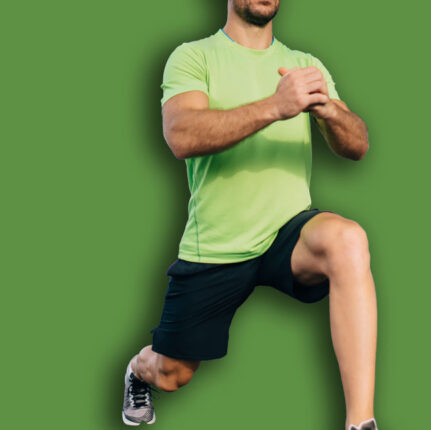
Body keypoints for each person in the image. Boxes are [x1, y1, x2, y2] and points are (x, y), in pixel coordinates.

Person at [121, 1, 377, 429]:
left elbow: (357, 145)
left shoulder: (304, 64)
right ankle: (138, 369)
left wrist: (328, 109)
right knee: (172, 374)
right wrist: (276, 106)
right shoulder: (193, 56)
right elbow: (181, 135)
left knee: (348, 239)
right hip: (218, 246)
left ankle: (360, 423)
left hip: (289, 231)